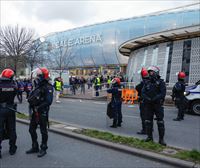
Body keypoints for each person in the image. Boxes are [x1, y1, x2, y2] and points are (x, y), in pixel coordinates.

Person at [26, 67, 53, 157]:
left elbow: (48, 101)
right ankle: (35, 146)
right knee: (31, 129)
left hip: (42, 112)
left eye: (39, 75)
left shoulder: (48, 87)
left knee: (43, 131)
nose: (37, 77)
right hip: (35, 111)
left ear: (43, 76)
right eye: (37, 75)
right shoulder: (38, 86)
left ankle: (43, 148)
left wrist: (39, 107)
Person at [142, 66, 166, 146]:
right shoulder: (147, 82)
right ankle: (149, 137)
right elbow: (143, 92)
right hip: (148, 105)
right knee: (148, 121)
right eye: (149, 72)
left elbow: (163, 93)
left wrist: (155, 98)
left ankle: (161, 139)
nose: (150, 73)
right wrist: (147, 98)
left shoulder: (161, 82)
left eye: (151, 72)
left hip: (158, 105)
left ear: (156, 72)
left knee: (160, 122)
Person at [0, 68, 18, 158]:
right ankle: (12, 148)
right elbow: (16, 93)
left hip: (1, 110)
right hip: (11, 109)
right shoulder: (14, 85)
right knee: (12, 129)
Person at [135, 68, 149, 135]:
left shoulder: (143, 82)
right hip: (149, 101)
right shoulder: (151, 81)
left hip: (143, 101)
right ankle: (150, 128)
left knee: (143, 116)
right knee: (149, 115)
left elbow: (137, 87)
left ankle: (144, 129)